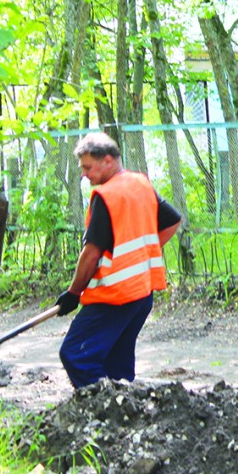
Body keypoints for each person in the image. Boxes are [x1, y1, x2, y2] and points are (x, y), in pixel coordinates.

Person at [55, 132, 181, 388]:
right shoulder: (140, 184)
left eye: (88, 167)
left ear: (108, 161)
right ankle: (123, 412)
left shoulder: (107, 196)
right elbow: (172, 220)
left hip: (114, 295)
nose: (84, 174)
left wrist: (73, 292)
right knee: (117, 364)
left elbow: (91, 253)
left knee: (75, 354)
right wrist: (145, 254)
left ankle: (100, 408)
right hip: (142, 293)